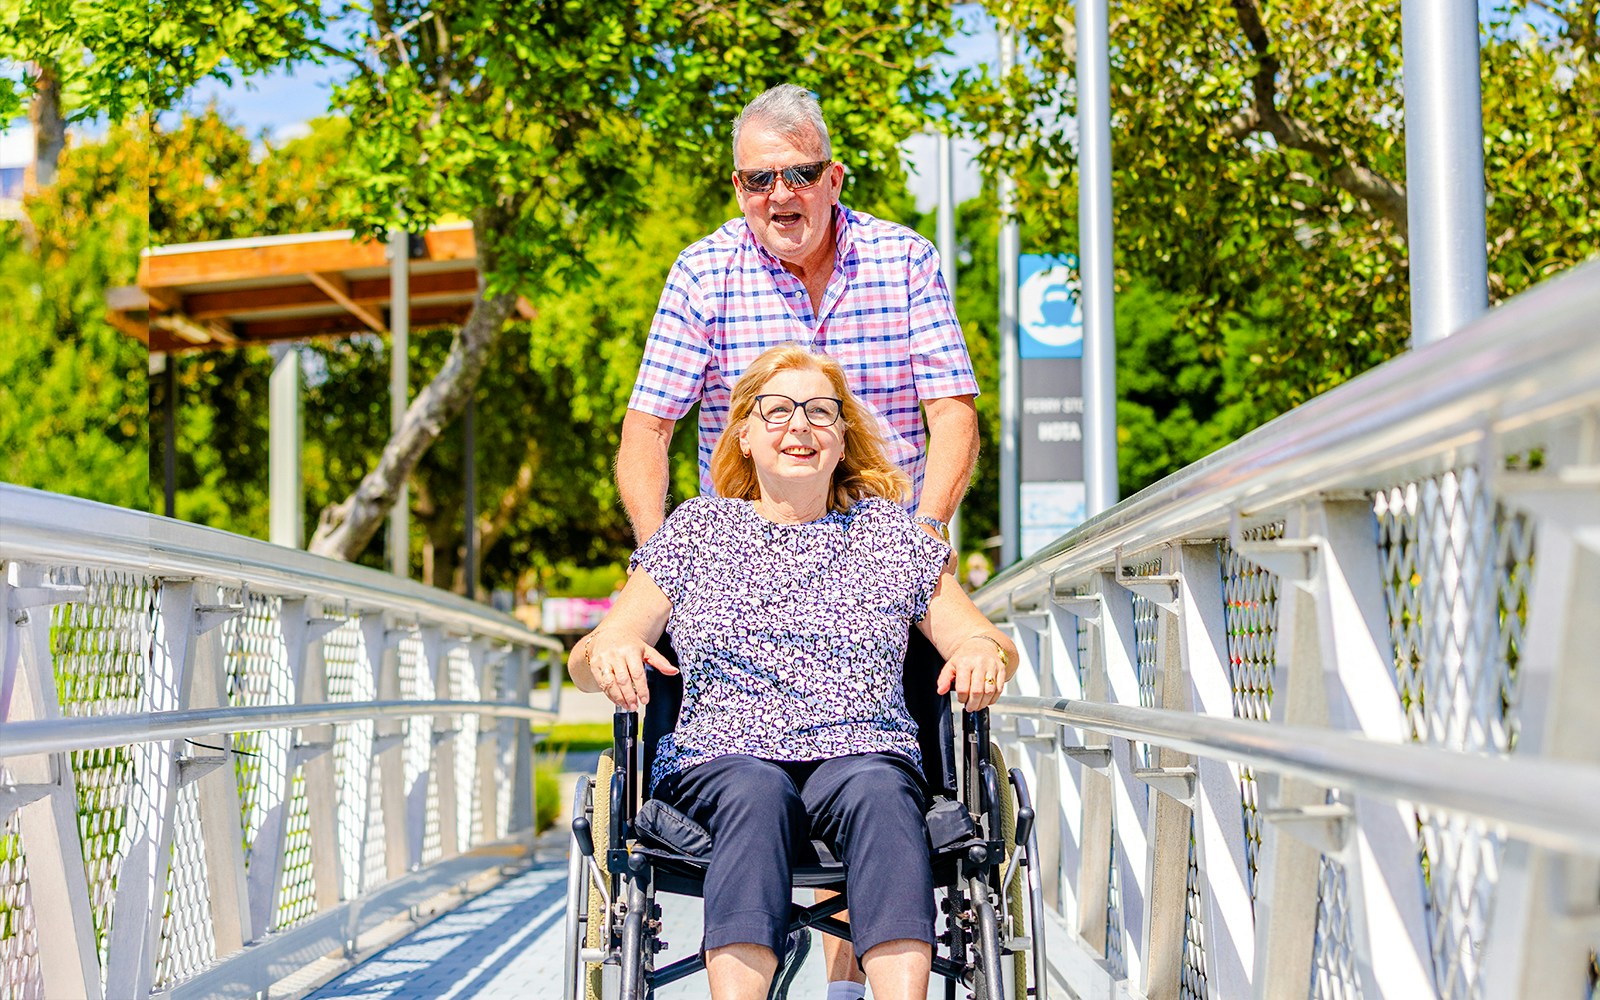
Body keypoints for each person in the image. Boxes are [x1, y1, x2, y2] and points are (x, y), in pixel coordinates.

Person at [572, 346, 1017, 1000]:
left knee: (880, 791)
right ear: (745, 437)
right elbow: (591, 655)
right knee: (757, 792)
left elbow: (985, 639)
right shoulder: (699, 531)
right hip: (723, 760)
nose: (799, 427)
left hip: (860, 754)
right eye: (776, 411)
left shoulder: (889, 537)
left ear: (843, 438)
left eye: (820, 412)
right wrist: (606, 649)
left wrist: (982, 653)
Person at [618, 83, 980, 554]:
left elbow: (953, 412)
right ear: (737, 187)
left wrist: (928, 534)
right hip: (743, 566)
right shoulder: (702, 274)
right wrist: (655, 554)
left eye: (801, 175)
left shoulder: (905, 260)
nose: (780, 194)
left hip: (886, 560)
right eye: (759, 180)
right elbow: (648, 427)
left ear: (834, 180)